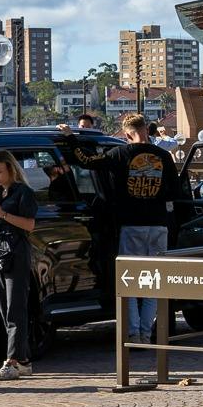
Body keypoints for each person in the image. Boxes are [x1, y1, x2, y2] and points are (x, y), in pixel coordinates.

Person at [69, 113, 179, 345]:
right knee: (153, 282)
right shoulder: (163, 156)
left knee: (129, 280)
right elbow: (175, 190)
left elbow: (86, 161)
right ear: (146, 131)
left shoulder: (121, 153)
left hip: (132, 225)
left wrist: (70, 138)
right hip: (159, 225)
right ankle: (147, 335)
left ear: (127, 134)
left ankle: (133, 333)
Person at [0, 150, 40, 380]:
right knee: (6, 311)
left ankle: (12, 361)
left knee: (16, 309)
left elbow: (29, 225)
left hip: (16, 252)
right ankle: (22, 360)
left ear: (11, 169)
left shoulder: (22, 192)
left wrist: (1, 213)